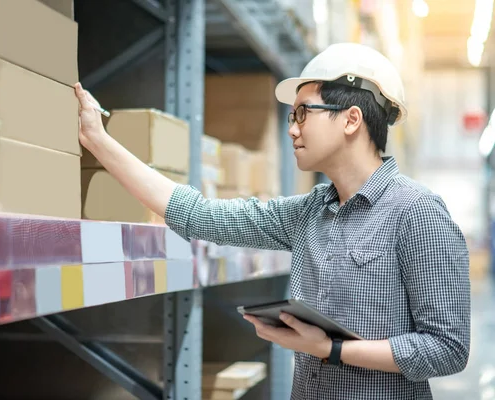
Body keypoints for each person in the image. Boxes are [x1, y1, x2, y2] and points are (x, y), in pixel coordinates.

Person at [74, 42, 471, 400]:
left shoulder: (417, 213)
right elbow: (197, 215)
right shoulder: (308, 212)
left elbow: (448, 348)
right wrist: (98, 140)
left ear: (351, 119)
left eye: (303, 112)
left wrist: (329, 349)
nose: (291, 128)